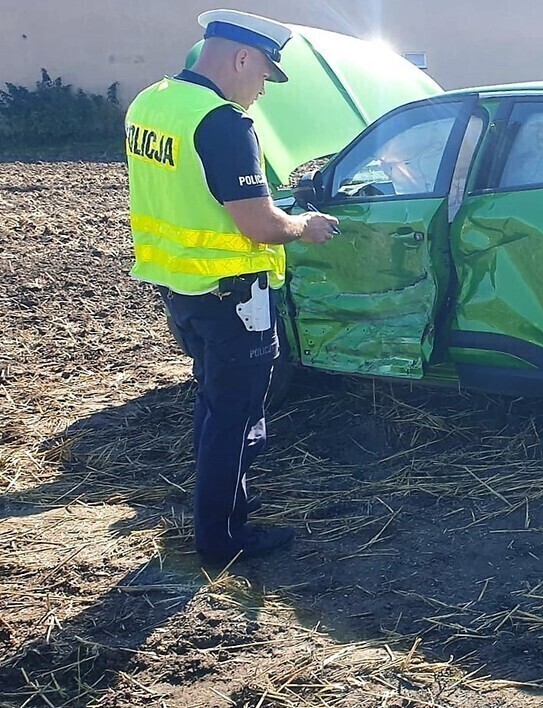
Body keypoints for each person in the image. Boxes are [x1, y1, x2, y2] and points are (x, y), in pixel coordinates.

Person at [124, 9, 339, 567]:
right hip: (232, 296)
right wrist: (305, 227)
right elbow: (259, 224)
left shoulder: (150, 103)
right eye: (265, 76)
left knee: (216, 405)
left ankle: (222, 507)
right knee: (235, 414)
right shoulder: (222, 122)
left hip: (179, 287)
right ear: (241, 58)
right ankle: (221, 538)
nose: (261, 91)